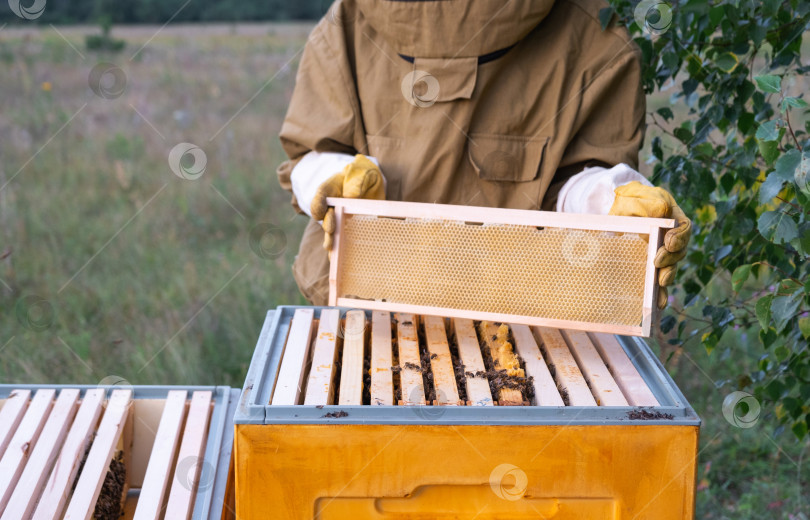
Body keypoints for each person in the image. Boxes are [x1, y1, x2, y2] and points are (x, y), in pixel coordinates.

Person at [277, 0, 691, 308]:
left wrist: (608, 198)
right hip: (393, 308)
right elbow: (313, 155)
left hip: (519, 321)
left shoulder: (344, 20)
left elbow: (309, 154)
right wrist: (605, 195)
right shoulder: (597, 32)